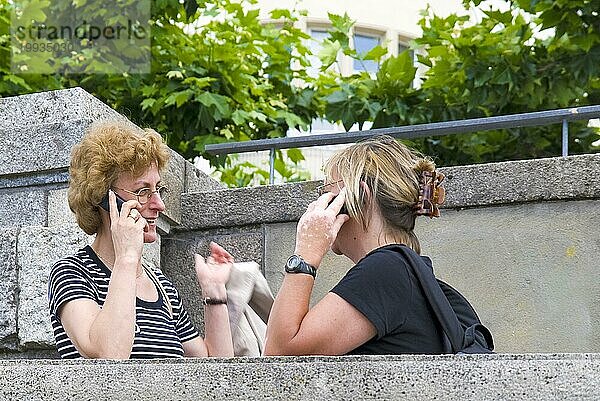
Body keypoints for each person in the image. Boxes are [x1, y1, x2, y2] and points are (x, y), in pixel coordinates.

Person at [48, 121, 234, 359]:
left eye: (158, 190)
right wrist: (126, 257)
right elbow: (108, 356)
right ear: (106, 200)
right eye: (143, 191)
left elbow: (216, 369)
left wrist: (214, 291)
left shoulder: (162, 286)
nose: (159, 205)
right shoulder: (73, 273)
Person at [264, 135, 449, 355]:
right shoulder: (407, 273)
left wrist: (305, 254)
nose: (318, 206)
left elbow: (278, 358)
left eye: (327, 194)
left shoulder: (387, 270)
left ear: (362, 197)